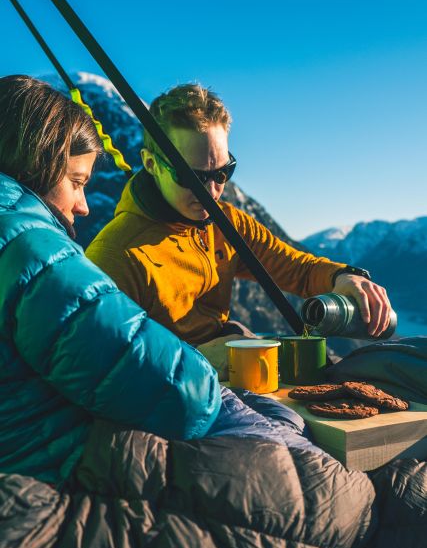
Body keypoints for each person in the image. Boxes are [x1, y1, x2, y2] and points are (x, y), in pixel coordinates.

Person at [0, 75, 221, 485]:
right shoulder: (29, 248)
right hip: (52, 474)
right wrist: (213, 370)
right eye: (77, 182)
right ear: (35, 164)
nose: (83, 206)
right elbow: (187, 399)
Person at [86, 83, 391, 377]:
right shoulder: (118, 254)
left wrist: (343, 276)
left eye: (222, 172)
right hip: (175, 387)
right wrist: (197, 359)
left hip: (234, 361)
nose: (212, 190)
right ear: (151, 164)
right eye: (191, 177)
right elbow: (103, 361)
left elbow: (296, 269)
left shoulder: (227, 224)